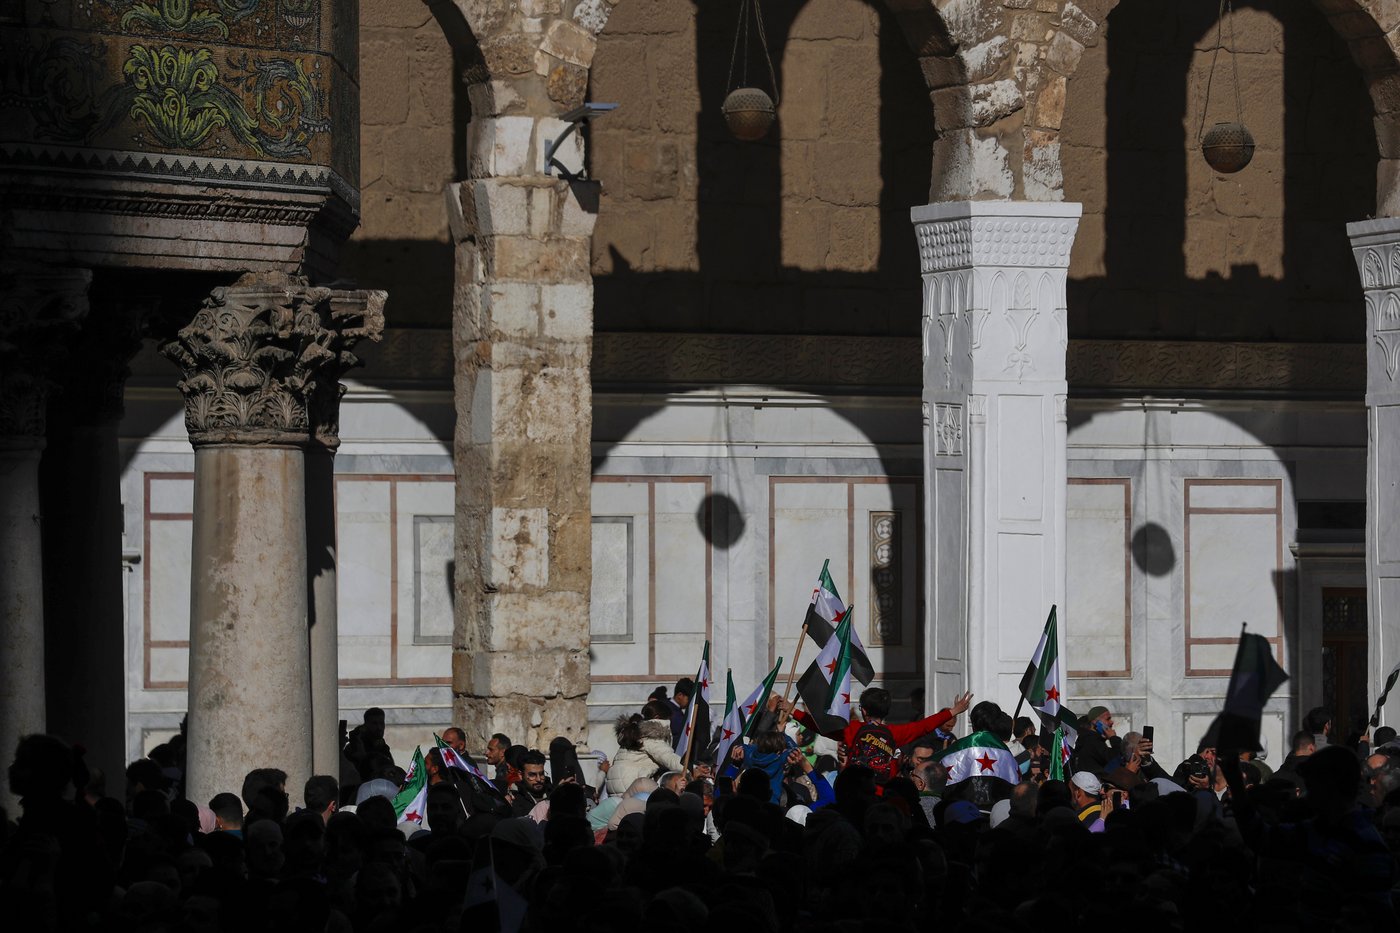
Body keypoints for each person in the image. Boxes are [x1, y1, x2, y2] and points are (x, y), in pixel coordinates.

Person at [790, 687, 972, 785]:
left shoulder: (853, 729)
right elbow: (923, 726)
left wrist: (794, 712)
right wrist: (953, 711)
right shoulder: (894, 733)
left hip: (855, 788)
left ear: (863, 710)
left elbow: (822, 726)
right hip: (881, 790)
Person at [606, 703, 684, 795]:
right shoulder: (651, 736)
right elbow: (669, 758)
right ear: (658, 718)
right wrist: (692, 770)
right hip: (631, 785)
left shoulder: (636, 734)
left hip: (616, 784)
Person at [345, 708, 394, 781]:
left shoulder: (382, 747)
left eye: (381, 723)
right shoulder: (355, 748)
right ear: (365, 725)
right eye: (374, 723)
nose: (379, 728)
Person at [1070, 705, 1120, 775]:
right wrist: (1114, 738)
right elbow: (1115, 760)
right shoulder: (1092, 741)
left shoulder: (1089, 739)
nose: (1111, 722)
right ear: (1095, 722)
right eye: (1107, 719)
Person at [512, 751, 552, 817]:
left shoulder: (553, 794)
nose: (538, 779)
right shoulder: (514, 799)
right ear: (520, 775)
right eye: (532, 775)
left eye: (541, 774)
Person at [666, 677, 694, 747]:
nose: (690, 702)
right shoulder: (671, 712)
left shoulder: (667, 705)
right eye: (688, 699)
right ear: (680, 695)